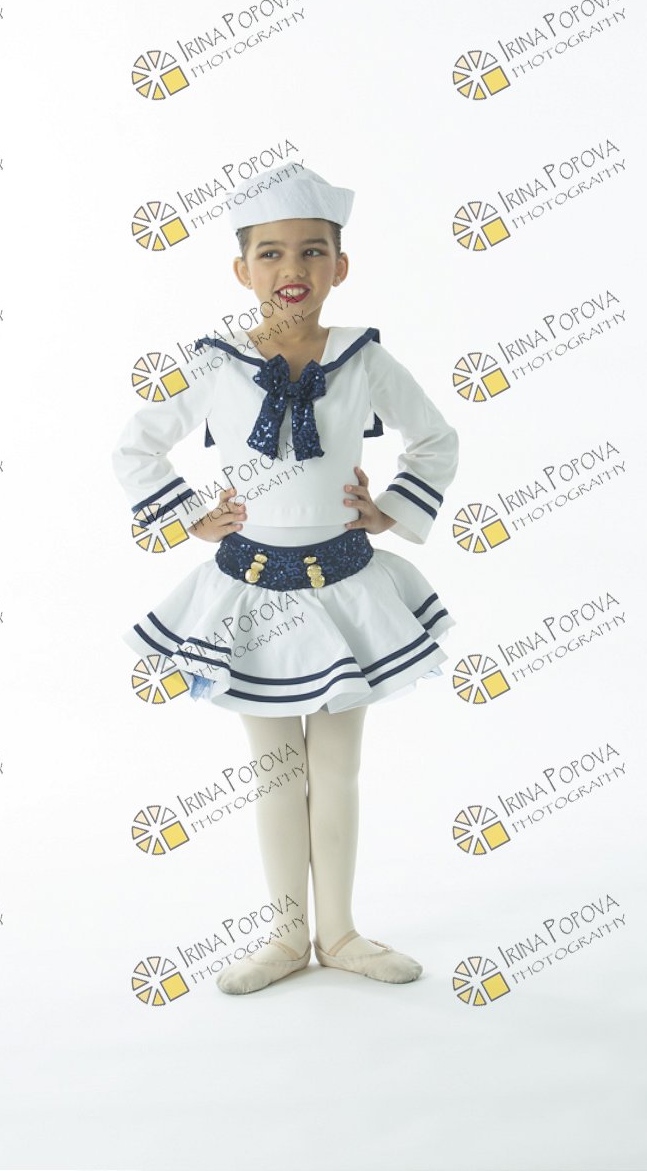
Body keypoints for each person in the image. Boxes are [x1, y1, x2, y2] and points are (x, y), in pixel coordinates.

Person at [112, 164, 459, 994]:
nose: (291, 268)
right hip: (252, 593)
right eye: (270, 253)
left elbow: (436, 439)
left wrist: (390, 510)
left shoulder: (364, 359)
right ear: (242, 270)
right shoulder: (215, 363)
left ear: (341, 265)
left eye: (311, 251)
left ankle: (340, 933)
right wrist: (190, 516)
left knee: (336, 770)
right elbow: (136, 445)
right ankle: (283, 935)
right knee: (277, 773)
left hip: (345, 588)